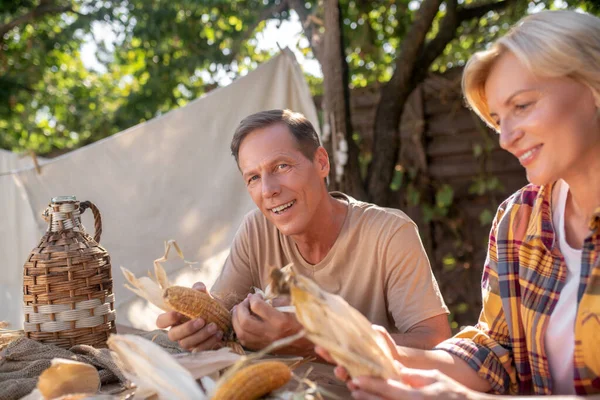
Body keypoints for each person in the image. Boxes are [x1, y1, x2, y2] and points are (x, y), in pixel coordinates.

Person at [317, 9, 600, 398]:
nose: (506, 138)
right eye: (498, 120)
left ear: (593, 85)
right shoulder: (519, 217)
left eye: (522, 106)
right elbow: (494, 351)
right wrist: (391, 355)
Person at [157, 109, 451, 355]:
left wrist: (312, 340)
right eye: (254, 178)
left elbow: (436, 344)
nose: (269, 190)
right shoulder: (256, 230)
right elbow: (220, 316)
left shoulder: (389, 233)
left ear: (321, 163)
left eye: (282, 166)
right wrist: (201, 327)